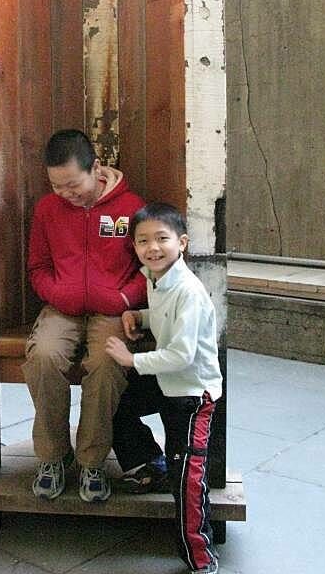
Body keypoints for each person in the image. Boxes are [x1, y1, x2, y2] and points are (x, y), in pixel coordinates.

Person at [22, 129, 147, 503]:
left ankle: (92, 461)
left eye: (73, 184)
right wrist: (58, 293)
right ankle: (53, 456)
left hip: (113, 310)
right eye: (56, 186)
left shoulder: (131, 207)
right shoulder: (47, 210)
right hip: (62, 306)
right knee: (43, 356)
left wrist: (125, 297)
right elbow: (38, 267)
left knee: (107, 364)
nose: (65, 194)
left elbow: (149, 268)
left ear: (95, 168)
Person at [105, 203, 222, 574]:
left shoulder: (188, 290)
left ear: (182, 242)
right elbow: (163, 316)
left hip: (191, 393)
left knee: (187, 475)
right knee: (116, 406)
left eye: (162, 239)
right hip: (166, 381)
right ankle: (148, 464)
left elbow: (182, 355)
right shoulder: (157, 279)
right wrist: (139, 316)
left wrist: (132, 360)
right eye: (143, 241)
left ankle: (199, 559)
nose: (152, 247)